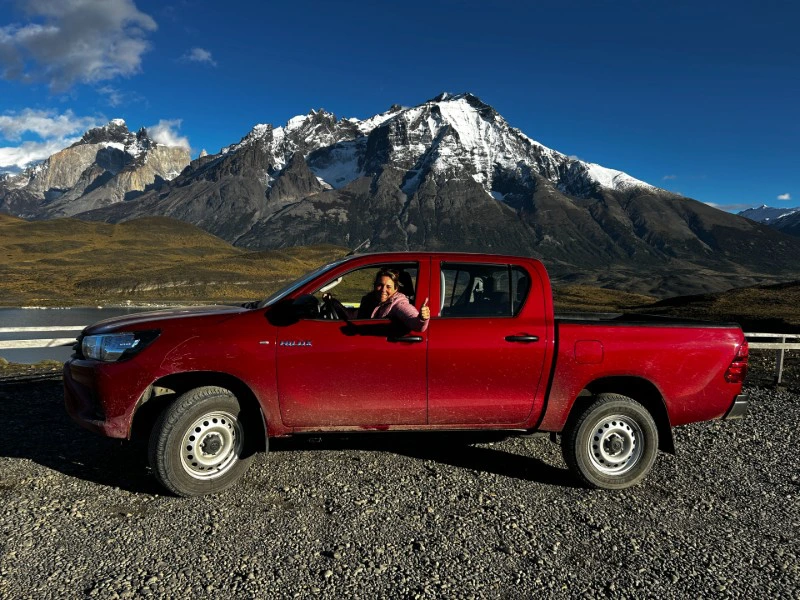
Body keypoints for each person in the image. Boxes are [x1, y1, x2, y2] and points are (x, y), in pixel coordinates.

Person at [357, 268, 430, 332]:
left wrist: (422, 319)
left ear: (396, 288)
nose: (383, 290)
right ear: (374, 285)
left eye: (388, 287)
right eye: (380, 285)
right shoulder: (369, 300)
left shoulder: (398, 303)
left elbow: (415, 323)